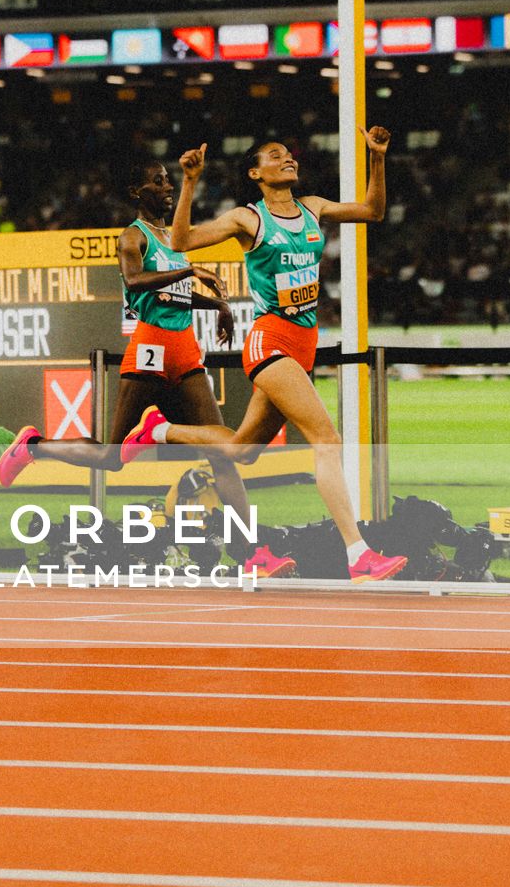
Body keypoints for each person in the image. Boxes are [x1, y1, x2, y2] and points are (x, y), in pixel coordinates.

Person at [123, 132, 408, 584]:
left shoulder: (313, 207)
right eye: (275, 156)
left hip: (303, 343)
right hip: (269, 342)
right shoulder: (248, 219)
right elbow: (180, 242)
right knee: (326, 440)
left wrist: (377, 160)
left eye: (290, 154)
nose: (287, 159)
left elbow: (372, 211)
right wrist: (190, 181)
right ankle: (358, 554)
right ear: (256, 174)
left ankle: (162, 429)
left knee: (242, 451)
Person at [0, 156, 282, 570]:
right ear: (138, 193)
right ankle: (33, 446)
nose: (167, 189)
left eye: (169, 182)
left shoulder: (175, 237)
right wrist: (190, 269)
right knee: (111, 457)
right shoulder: (134, 237)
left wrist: (215, 303)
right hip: (149, 347)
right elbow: (135, 282)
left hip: (184, 347)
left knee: (223, 451)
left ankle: (250, 551)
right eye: (158, 183)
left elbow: (172, 295)